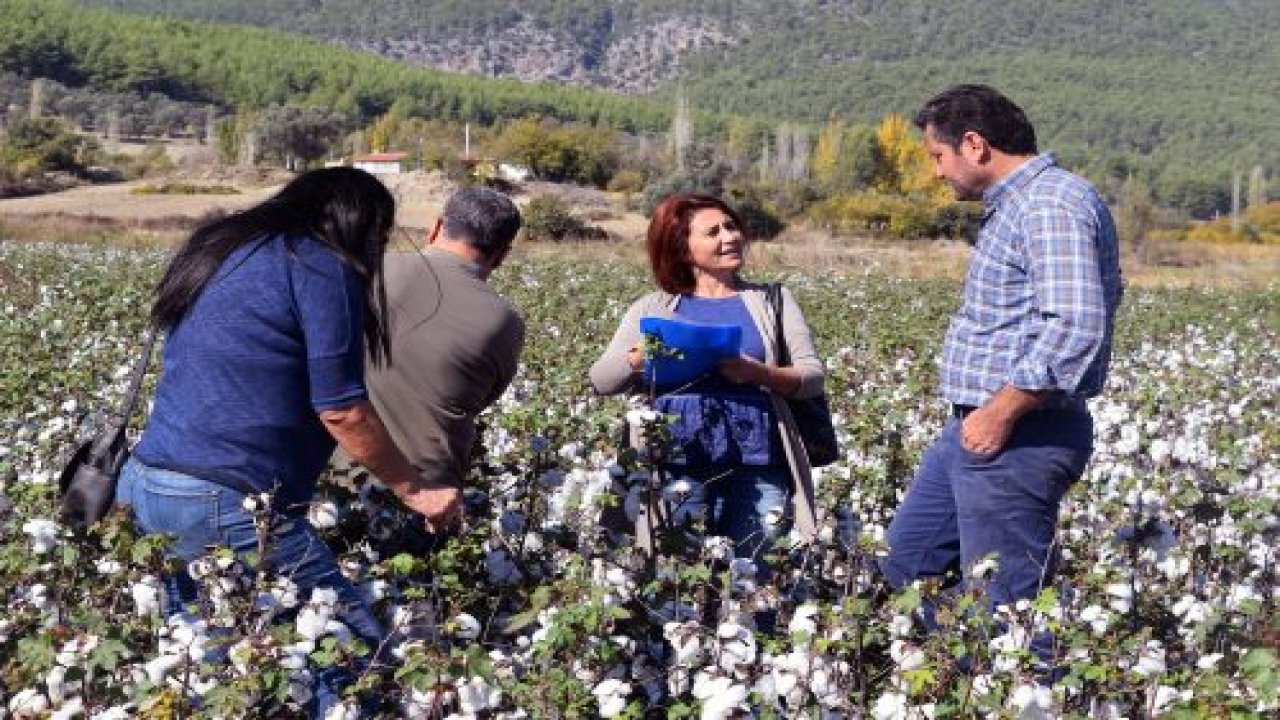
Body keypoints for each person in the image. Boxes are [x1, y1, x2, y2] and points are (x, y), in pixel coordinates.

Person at [117, 167, 460, 714]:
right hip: (222, 499)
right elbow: (342, 409)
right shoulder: (319, 263)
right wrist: (417, 491)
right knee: (350, 660)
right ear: (358, 226)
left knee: (215, 669)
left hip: (148, 486)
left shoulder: (226, 248)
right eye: (378, 238)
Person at [879, 85, 1123, 655]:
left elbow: (1075, 324)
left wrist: (1002, 411)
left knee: (1008, 609)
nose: (937, 172)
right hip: (980, 428)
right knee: (907, 564)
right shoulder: (1022, 204)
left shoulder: (1048, 204)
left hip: (1017, 432)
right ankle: (955, 673)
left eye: (938, 156)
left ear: (975, 144)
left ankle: (1016, 681)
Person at [590, 193, 825, 567]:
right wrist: (638, 358)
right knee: (677, 569)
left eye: (731, 227)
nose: (729, 237)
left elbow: (812, 376)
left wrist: (759, 373)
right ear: (683, 249)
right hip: (675, 458)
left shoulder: (773, 300)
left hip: (757, 459)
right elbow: (602, 380)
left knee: (757, 567)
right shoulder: (652, 307)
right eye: (713, 232)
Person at [363, 187, 524, 505]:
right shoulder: (504, 322)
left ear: (437, 227)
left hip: (333, 479)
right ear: (502, 256)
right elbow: (483, 398)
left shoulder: (366, 270)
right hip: (430, 494)